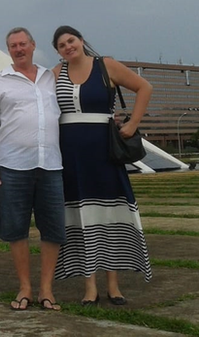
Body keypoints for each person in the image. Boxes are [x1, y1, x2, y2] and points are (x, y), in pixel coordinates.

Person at [51, 25, 153, 306]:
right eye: (61, 45)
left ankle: (113, 285)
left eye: (71, 40)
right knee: (82, 218)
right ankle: (89, 287)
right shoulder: (56, 74)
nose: (68, 47)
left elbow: (144, 87)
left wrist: (133, 123)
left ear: (81, 40)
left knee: (110, 215)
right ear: (58, 51)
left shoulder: (105, 65)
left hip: (104, 152)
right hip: (70, 155)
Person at [0, 27, 66, 312]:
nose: (18, 49)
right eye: (13, 45)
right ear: (8, 50)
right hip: (13, 165)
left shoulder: (49, 78)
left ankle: (46, 289)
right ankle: (25, 287)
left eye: (22, 44)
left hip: (51, 164)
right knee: (16, 228)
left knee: (52, 228)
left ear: (33, 45)